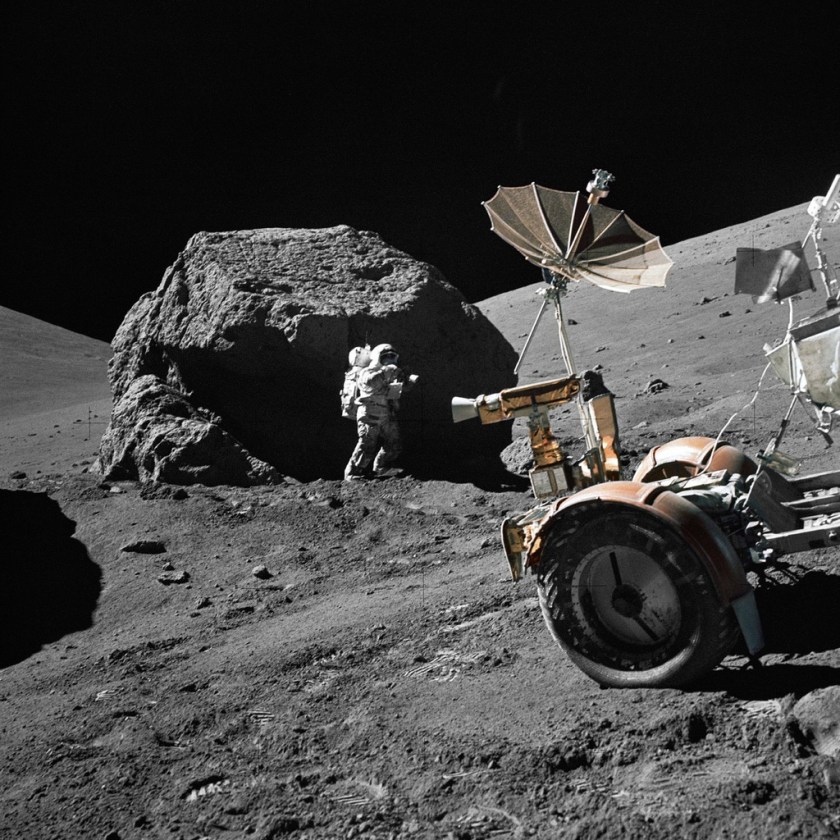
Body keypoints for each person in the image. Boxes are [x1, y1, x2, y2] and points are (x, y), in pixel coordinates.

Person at [344, 343, 417, 481]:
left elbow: (400, 388)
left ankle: (381, 467)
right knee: (366, 446)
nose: (389, 359)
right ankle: (353, 473)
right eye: (386, 356)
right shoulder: (366, 372)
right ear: (377, 358)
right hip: (369, 415)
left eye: (392, 356)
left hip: (386, 414)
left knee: (394, 443)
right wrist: (386, 372)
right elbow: (371, 383)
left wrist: (409, 382)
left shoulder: (392, 372)